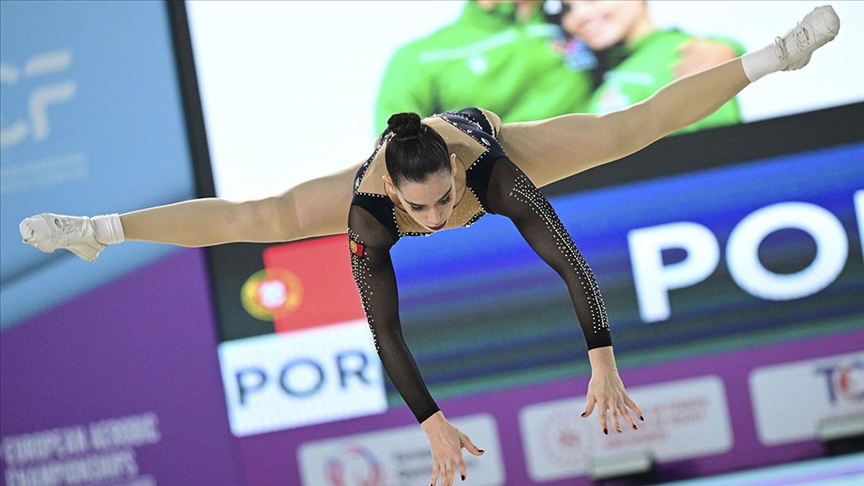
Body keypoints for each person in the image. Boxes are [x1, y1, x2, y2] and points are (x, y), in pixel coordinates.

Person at [18, 6, 840, 486]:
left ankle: (777, 55)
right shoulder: (371, 211)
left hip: (494, 139)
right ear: (396, 198)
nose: (441, 221)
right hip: (393, 169)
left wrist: (602, 357)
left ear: (454, 172)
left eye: (445, 203)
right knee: (256, 215)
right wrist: (432, 421)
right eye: (425, 214)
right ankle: (98, 233)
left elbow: (564, 256)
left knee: (630, 130)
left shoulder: (489, 175)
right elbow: (386, 330)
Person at [374, 0, 737, 134]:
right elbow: (391, 154)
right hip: (503, 214)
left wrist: (728, 49)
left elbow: (647, 53)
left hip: (602, 188)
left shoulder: (575, 26)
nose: (580, 11)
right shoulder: (420, 56)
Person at [557, 0, 744, 133]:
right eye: (567, 8)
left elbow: (722, 154)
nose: (577, 16)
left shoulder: (690, 55)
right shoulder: (590, 71)